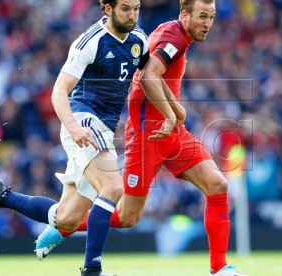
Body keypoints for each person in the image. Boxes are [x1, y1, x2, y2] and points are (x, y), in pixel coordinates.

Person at [37, 0, 245, 275]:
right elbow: (148, 77)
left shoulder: (170, 35)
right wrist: (171, 114)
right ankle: (64, 226)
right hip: (148, 134)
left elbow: (145, 73)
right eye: (202, 16)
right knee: (127, 217)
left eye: (212, 17)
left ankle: (219, 268)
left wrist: (174, 114)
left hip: (172, 133)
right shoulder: (174, 37)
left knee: (218, 185)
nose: (208, 23)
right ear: (184, 14)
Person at [0, 1, 148, 275]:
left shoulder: (139, 40)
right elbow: (59, 92)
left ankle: (0, 196)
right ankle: (92, 269)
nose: (132, 15)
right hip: (83, 120)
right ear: (107, 8)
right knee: (112, 187)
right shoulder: (89, 42)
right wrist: (73, 127)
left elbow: (149, 75)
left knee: (67, 219)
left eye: (136, 8)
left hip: (104, 129)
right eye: (125, 9)